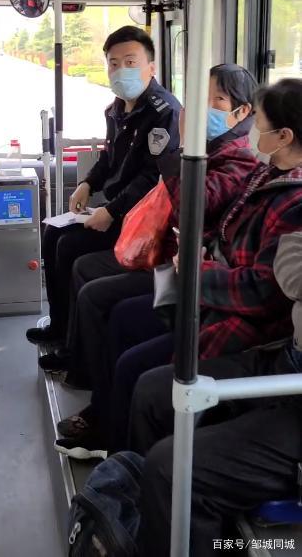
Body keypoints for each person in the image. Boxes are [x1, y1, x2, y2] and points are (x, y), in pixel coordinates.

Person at [55, 77, 302, 459]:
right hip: (206, 287)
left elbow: (262, 290)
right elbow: (223, 230)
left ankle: (124, 457)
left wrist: (197, 268)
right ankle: (108, 424)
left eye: (260, 122)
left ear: (283, 136)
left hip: (241, 319)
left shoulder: (283, 194)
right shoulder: (265, 174)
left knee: (133, 361)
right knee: (117, 316)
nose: (254, 130)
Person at [40, 63, 257, 374]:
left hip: (182, 266)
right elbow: (112, 161)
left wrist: (184, 147)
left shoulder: (235, 160)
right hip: (164, 249)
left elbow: (192, 206)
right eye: (201, 97)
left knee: (92, 290)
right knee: (70, 252)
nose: (205, 107)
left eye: (218, 100)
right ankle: (74, 354)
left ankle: (84, 374)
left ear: (242, 111)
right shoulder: (207, 146)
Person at [136, 230, 302, 556]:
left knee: (171, 469)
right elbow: (290, 252)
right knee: (154, 392)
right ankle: (141, 521)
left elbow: (264, 289)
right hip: (288, 361)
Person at [26, 25, 181, 347]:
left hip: (142, 220)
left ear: (151, 67)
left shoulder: (163, 112)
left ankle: (72, 344)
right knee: (53, 233)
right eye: (114, 63)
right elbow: (109, 158)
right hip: (119, 209)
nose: (121, 70)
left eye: (130, 62)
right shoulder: (117, 109)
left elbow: (153, 178)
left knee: (69, 247)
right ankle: (60, 325)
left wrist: (111, 211)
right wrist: (87, 183)